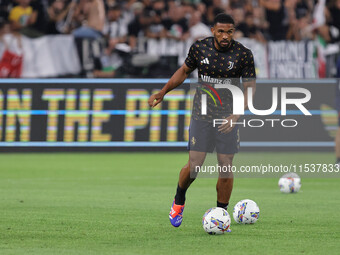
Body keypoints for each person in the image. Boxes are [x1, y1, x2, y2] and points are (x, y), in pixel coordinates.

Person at [148, 13, 256, 228]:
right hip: (202, 114)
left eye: (229, 31)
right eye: (221, 31)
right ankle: (179, 200)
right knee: (195, 165)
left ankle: (221, 214)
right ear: (213, 31)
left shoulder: (243, 54)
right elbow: (184, 71)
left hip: (227, 118)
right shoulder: (200, 48)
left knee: (226, 166)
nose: (225, 36)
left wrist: (236, 115)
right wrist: (163, 92)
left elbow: (250, 89)